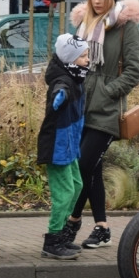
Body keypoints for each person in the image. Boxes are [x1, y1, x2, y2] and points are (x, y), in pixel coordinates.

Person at [63, 0, 139, 249]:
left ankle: (71, 222)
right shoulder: (85, 23)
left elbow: (135, 71)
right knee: (91, 169)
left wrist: (107, 92)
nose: (96, 1)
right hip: (82, 107)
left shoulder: (126, 27)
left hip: (107, 111)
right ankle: (102, 228)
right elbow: (73, 59)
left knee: (84, 164)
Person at [38, 34, 90, 260]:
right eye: (84, 56)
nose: (88, 60)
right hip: (57, 146)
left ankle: (61, 237)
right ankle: (52, 240)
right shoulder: (64, 81)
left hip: (70, 145)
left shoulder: (76, 77)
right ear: (71, 58)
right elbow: (58, 91)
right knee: (65, 193)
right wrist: (60, 96)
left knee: (77, 187)